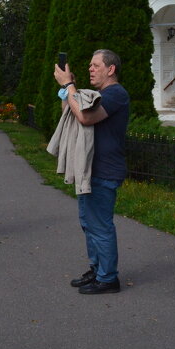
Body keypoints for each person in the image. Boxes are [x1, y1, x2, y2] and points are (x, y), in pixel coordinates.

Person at [53, 49, 130, 294]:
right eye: (89, 65)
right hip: (90, 169)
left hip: (104, 171)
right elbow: (72, 112)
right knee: (89, 223)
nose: (91, 69)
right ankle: (97, 269)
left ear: (111, 69)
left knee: (100, 225)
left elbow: (86, 118)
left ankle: (108, 279)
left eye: (96, 65)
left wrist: (70, 85)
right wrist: (67, 90)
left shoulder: (116, 93)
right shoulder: (98, 94)